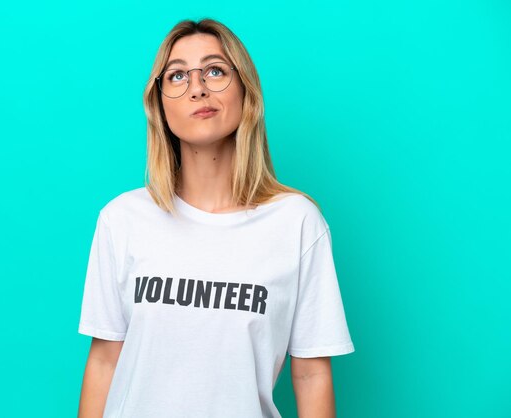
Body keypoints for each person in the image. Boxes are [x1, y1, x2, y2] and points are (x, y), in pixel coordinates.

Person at [77, 18, 354, 418]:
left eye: (215, 70)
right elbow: (105, 361)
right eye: (176, 76)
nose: (198, 87)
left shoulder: (296, 223)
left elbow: (311, 375)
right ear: (160, 105)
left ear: (246, 93)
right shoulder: (122, 220)